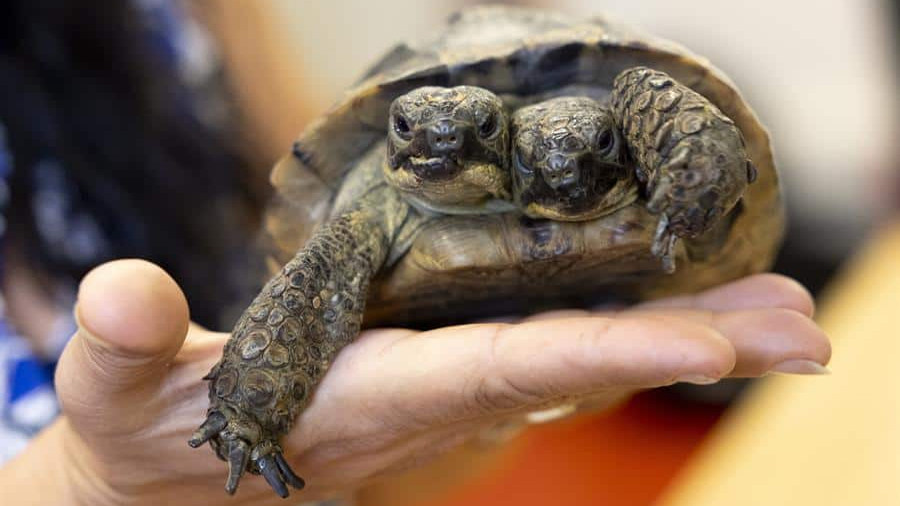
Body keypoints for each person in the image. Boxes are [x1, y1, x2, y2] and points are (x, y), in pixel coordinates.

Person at [0, 1, 831, 504]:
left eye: (477, 135)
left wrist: (464, 424)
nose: (439, 144)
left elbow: (394, 470)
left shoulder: (183, 20)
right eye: (414, 130)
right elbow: (312, 276)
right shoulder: (374, 208)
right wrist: (99, 485)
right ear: (394, 142)